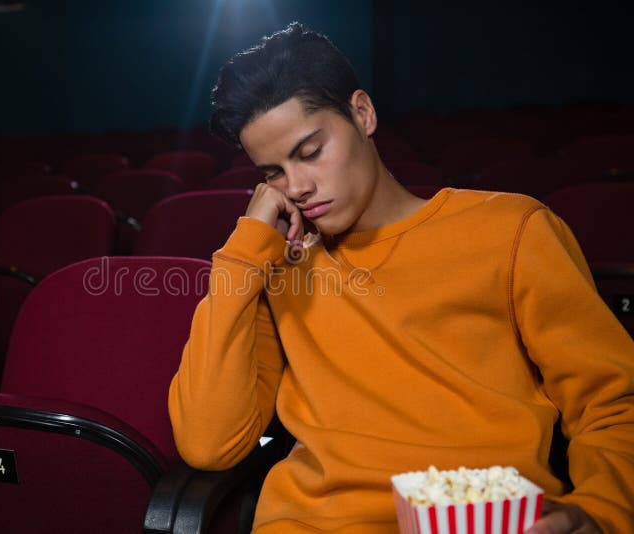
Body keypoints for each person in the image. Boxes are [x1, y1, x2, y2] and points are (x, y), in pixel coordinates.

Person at [168, 22, 634, 533]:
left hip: (481, 520)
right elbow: (209, 443)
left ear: (362, 114)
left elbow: (613, 406)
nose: (297, 186)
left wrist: (600, 512)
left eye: (309, 152)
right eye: (272, 173)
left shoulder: (512, 230)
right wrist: (245, 251)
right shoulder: (279, 268)